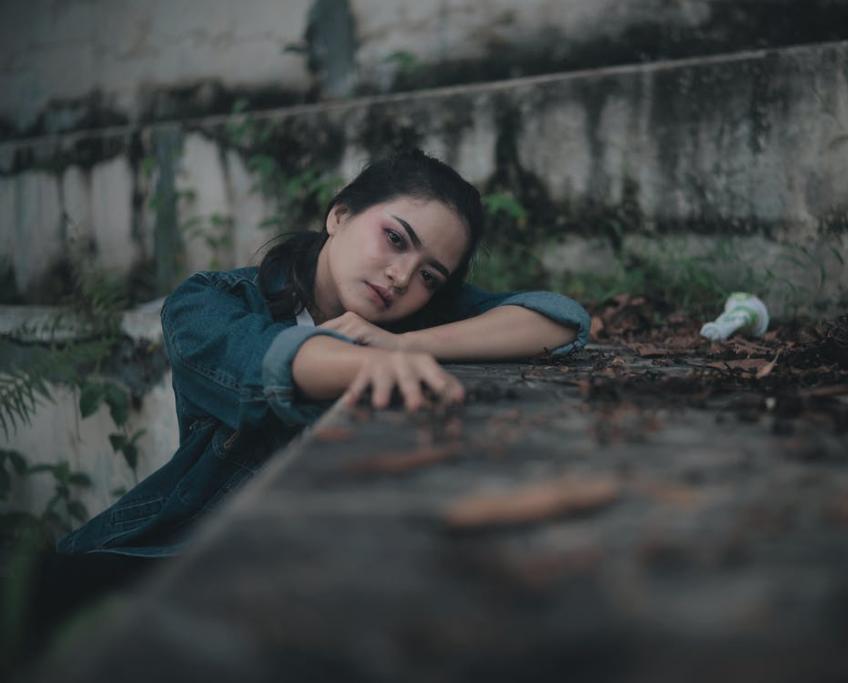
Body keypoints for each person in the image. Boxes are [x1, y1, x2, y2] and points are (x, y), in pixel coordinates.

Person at [55, 147, 589, 559]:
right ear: (340, 215)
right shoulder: (208, 302)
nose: (402, 277)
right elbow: (267, 363)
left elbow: (560, 319)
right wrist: (372, 363)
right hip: (171, 555)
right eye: (395, 239)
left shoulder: (406, 319)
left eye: (430, 275)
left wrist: (405, 343)